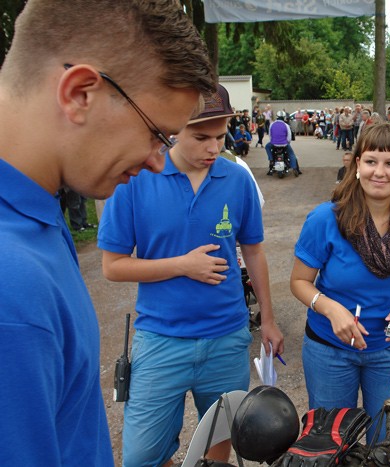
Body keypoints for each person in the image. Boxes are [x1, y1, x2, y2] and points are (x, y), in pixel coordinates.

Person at [0, 1, 216, 465]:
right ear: (80, 93)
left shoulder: (32, 211)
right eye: (157, 134)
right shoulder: (11, 281)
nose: (160, 161)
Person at [98, 84, 284, 467]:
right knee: (142, 456)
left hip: (227, 339)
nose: (214, 148)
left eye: (220, 137)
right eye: (201, 137)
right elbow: (112, 266)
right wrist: (182, 265)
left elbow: (254, 250)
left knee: (218, 450)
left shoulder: (236, 179)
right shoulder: (135, 179)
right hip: (160, 340)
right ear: (173, 130)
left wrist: (268, 318)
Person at [289, 123, 390, 465]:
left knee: (388, 443)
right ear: (356, 166)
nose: (379, 172)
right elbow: (299, 282)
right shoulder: (326, 219)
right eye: (370, 161)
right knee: (329, 443)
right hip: (330, 352)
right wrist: (331, 309)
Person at [266, 111, 301, 176]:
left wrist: (273, 141)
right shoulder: (286, 125)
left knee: (267, 146)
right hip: (284, 144)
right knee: (291, 154)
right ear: (284, 117)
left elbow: (270, 136)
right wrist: (287, 143)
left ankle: (271, 159)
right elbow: (289, 137)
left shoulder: (272, 124)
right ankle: (294, 168)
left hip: (274, 144)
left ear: (277, 117)